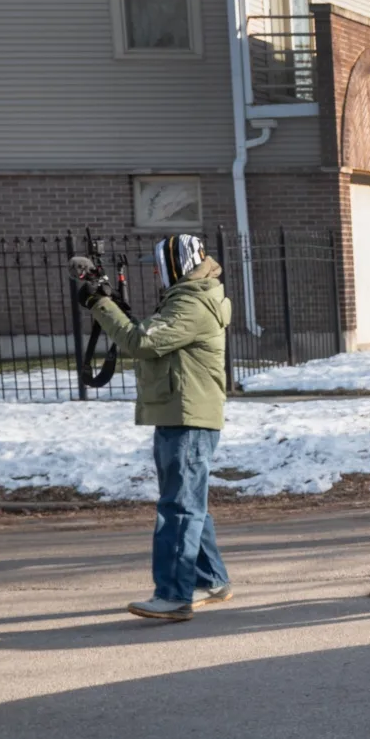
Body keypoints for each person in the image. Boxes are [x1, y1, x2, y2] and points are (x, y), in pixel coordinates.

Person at [74, 234, 233, 623]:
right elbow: (148, 336)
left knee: (179, 507)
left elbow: (142, 342)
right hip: (181, 412)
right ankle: (211, 579)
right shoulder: (190, 298)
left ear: (176, 266)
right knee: (188, 502)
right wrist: (109, 302)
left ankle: (174, 596)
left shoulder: (192, 303)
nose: (156, 275)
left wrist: (100, 304)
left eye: (159, 267)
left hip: (187, 417)